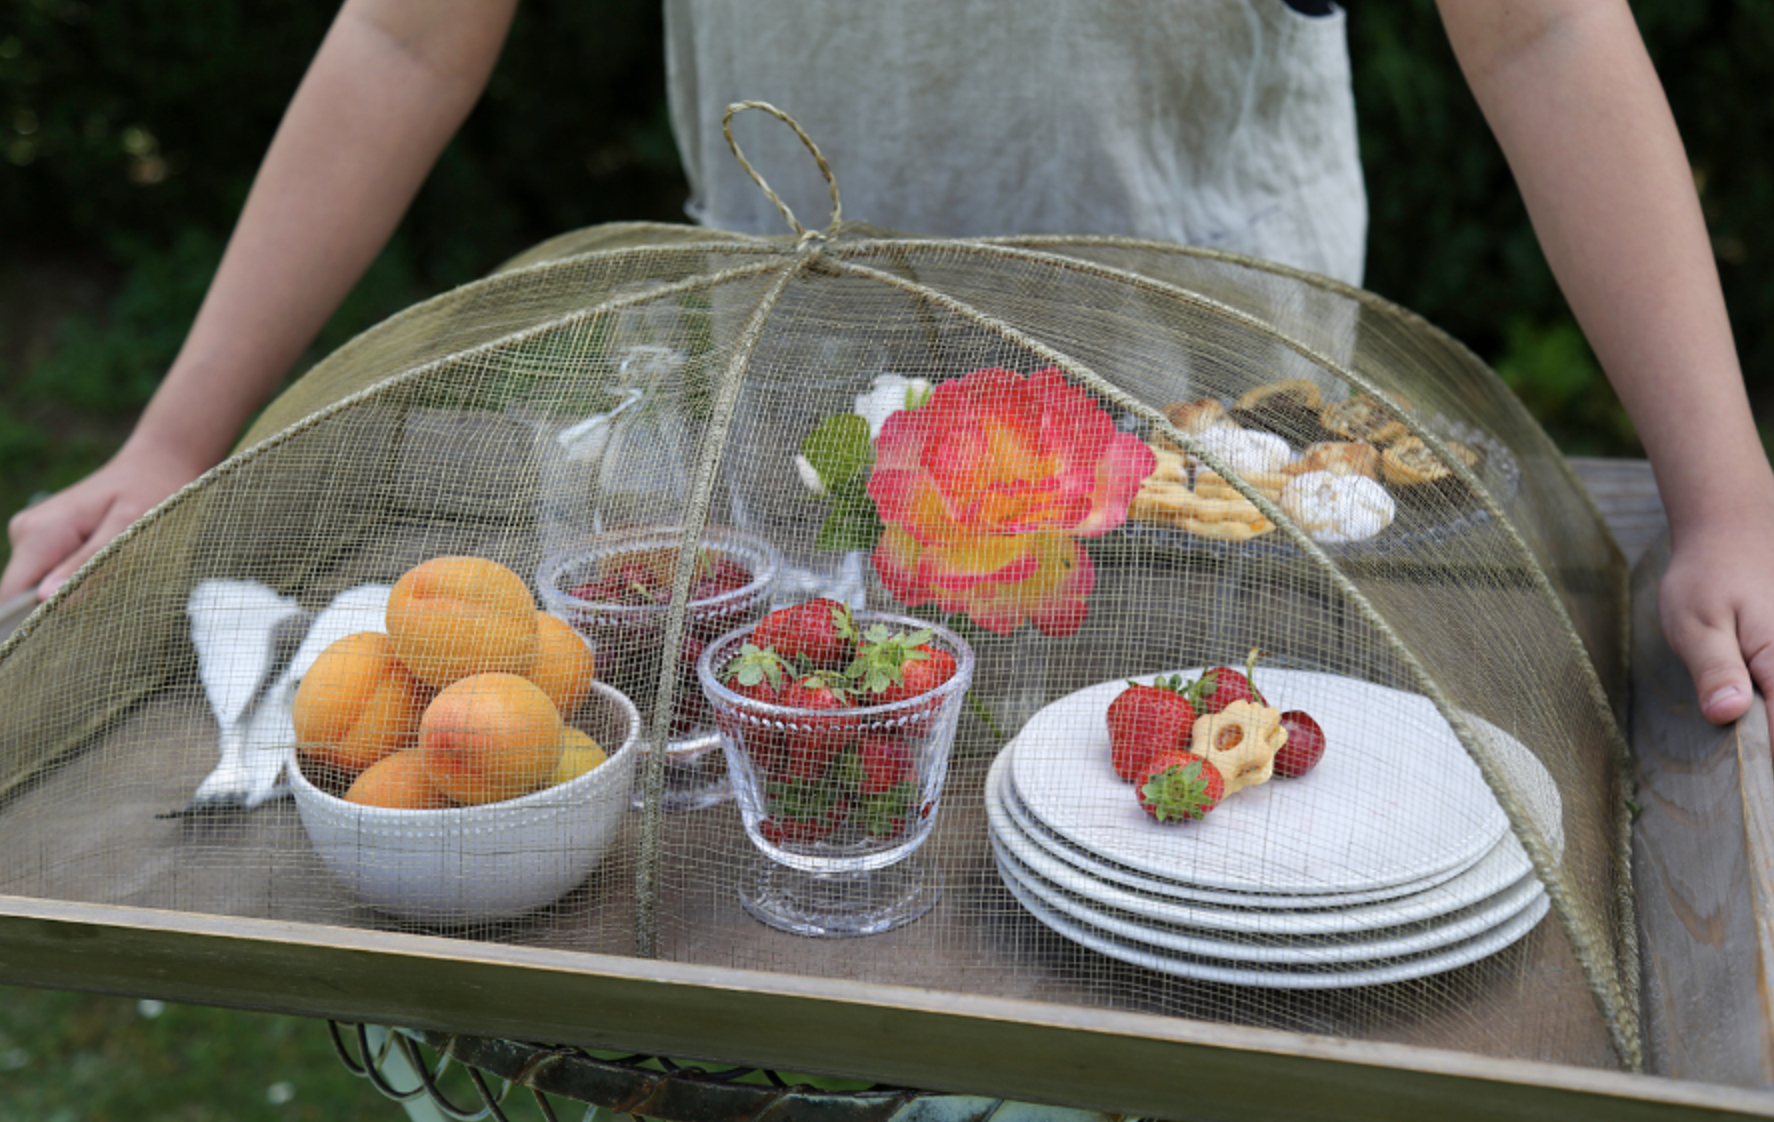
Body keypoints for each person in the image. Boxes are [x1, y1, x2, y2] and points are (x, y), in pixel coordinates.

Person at [5, 0, 1771, 735]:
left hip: (1209, 482)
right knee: (822, 954)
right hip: (792, 486)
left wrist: (1722, 497)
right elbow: (408, 30)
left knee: (1190, 933)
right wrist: (176, 436)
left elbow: (1539, 30)